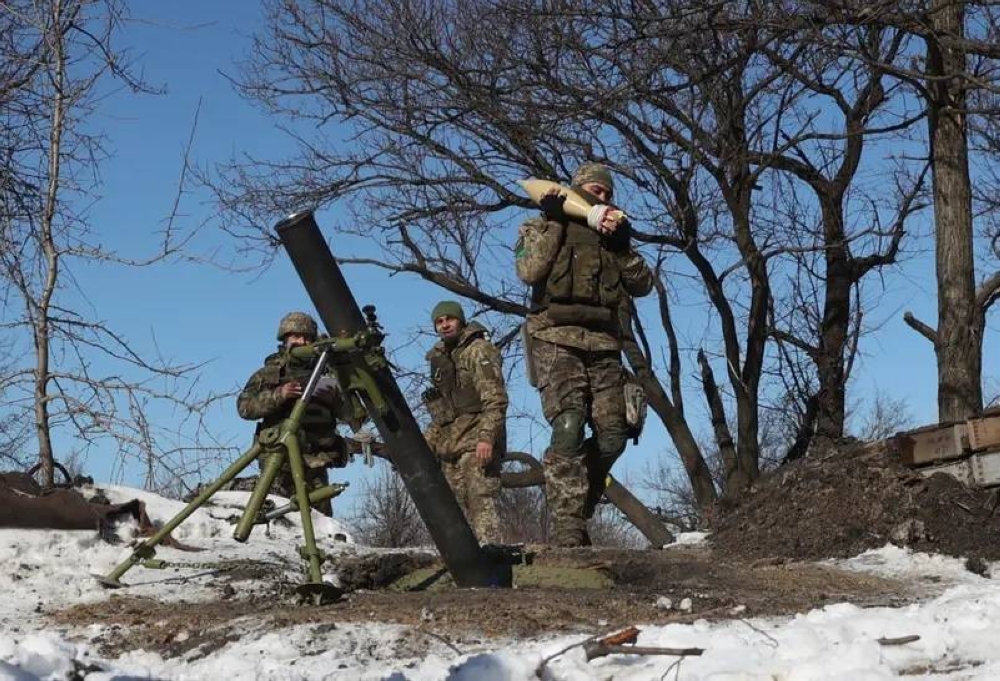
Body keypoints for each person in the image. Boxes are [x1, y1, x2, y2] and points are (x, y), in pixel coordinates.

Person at [515, 162, 654, 547]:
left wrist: (623, 247)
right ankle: (568, 526)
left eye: (607, 193)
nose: (602, 197)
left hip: (604, 343)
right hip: (555, 337)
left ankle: (580, 498)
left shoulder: (612, 237)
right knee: (569, 425)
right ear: (577, 189)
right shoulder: (541, 225)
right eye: (595, 190)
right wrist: (555, 221)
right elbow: (529, 270)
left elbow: (643, 285)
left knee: (614, 435)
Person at [237, 311, 348, 516]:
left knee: (321, 523)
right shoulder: (269, 373)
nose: (302, 342)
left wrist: (335, 399)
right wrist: (279, 395)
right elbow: (244, 407)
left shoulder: (325, 372)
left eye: (307, 338)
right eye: (296, 336)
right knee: (274, 517)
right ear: (285, 339)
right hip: (279, 461)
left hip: (316, 462)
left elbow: (353, 416)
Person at [422, 300, 507, 544]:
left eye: (449, 319)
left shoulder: (478, 351)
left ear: (460, 320)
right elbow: (444, 414)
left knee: (480, 499)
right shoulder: (439, 358)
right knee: (453, 510)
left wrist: (486, 438)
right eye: (439, 321)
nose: (445, 325)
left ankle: (493, 556)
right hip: (450, 444)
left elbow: (495, 399)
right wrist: (426, 445)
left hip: (476, 440)